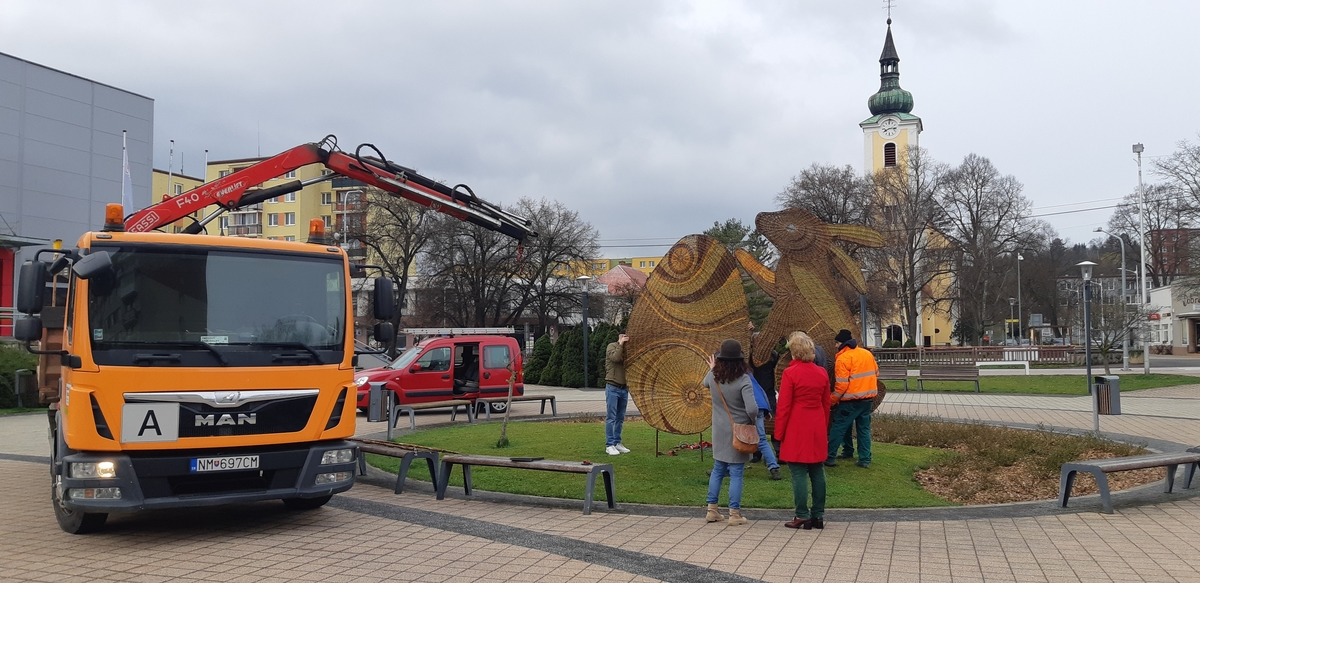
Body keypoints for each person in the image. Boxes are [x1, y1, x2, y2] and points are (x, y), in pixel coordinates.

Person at [773, 331, 831, 529]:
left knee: (798, 472)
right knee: (817, 470)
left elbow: (784, 406)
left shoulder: (790, 373)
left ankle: (802, 514)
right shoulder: (821, 373)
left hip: (797, 425)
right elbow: (826, 404)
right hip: (817, 424)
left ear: (794, 352)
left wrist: (779, 433)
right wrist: (824, 426)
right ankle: (818, 515)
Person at [702, 338, 758, 526]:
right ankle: (734, 514)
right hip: (738, 431)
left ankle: (712, 510)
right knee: (736, 472)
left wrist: (712, 368)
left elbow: (704, 383)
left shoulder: (713, 377)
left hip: (719, 430)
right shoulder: (744, 380)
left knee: (718, 469)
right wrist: (751, 421)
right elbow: (752, 409)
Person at [826, 329, 879, 468]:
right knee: (864, 430)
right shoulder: (866, 353)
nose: (835, 346)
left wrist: (831, 400)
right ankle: (865, 459)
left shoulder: (843, 359)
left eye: (837, 343)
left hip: (850, 401)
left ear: (842, 343)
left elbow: (841, 385)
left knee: (838, 427)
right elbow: (876, 372)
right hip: (867, 399)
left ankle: (830, 457)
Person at [746, 366, 784, 480]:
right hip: (760, 407)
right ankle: (773, 467)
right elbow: (760, 391)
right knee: (762, 439)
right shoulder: (749, 374)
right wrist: (766, 409)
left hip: (749, 407)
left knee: (735, 437)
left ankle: (725, 467)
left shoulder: (735, 376)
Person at [604, 332, 631, 455]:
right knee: (611, 417)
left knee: (620, 418)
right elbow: (615, 358)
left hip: (624, 388)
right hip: (612, 387)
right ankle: (609, 445)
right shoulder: (612, 346)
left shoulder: (627, 350)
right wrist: (620, 344)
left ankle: (617, 442)